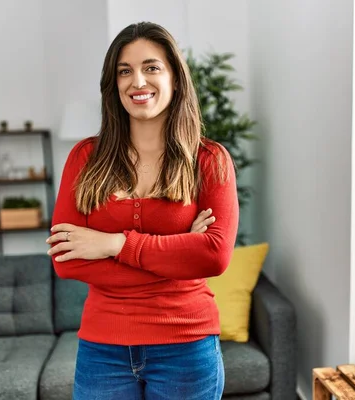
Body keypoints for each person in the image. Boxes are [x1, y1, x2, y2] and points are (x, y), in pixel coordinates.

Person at [45, 21, 239, 400]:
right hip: (103, 350)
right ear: (113, 84)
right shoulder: (86, 158)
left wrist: (113, 244)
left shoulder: (209, 160)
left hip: (187, 346)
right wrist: (179, 252)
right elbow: (66, 261)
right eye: (124, 70)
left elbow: (214, 256)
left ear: (175, 78)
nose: (138, 81)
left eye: (151, 67)